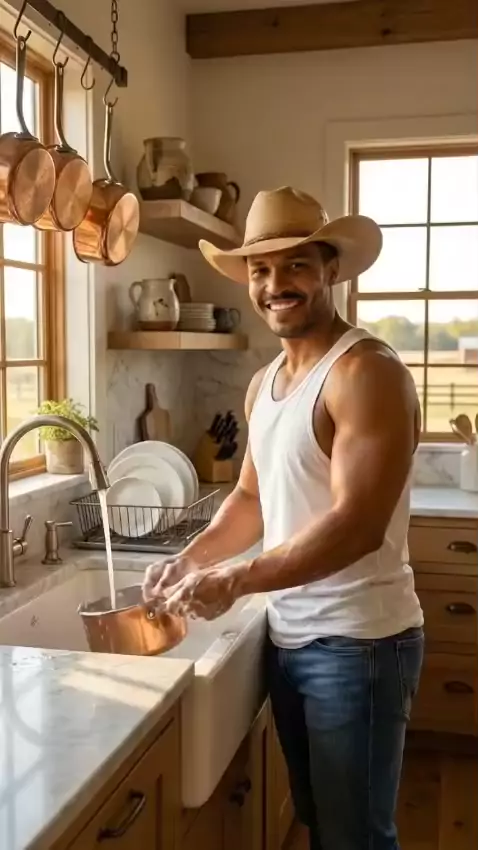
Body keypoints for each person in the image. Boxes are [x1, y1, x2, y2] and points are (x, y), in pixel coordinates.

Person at [143, 187, 424, 850]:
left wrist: (238, 579)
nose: (276, 285)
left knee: (355, 839)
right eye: (261, 270)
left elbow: (357, 526)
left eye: (296, 264)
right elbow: (251, 500)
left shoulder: (365, 372)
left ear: (331, 268)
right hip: (291, 636)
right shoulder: (265, 382)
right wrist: (191, 560)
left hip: (359, 644)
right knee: (322, 823)